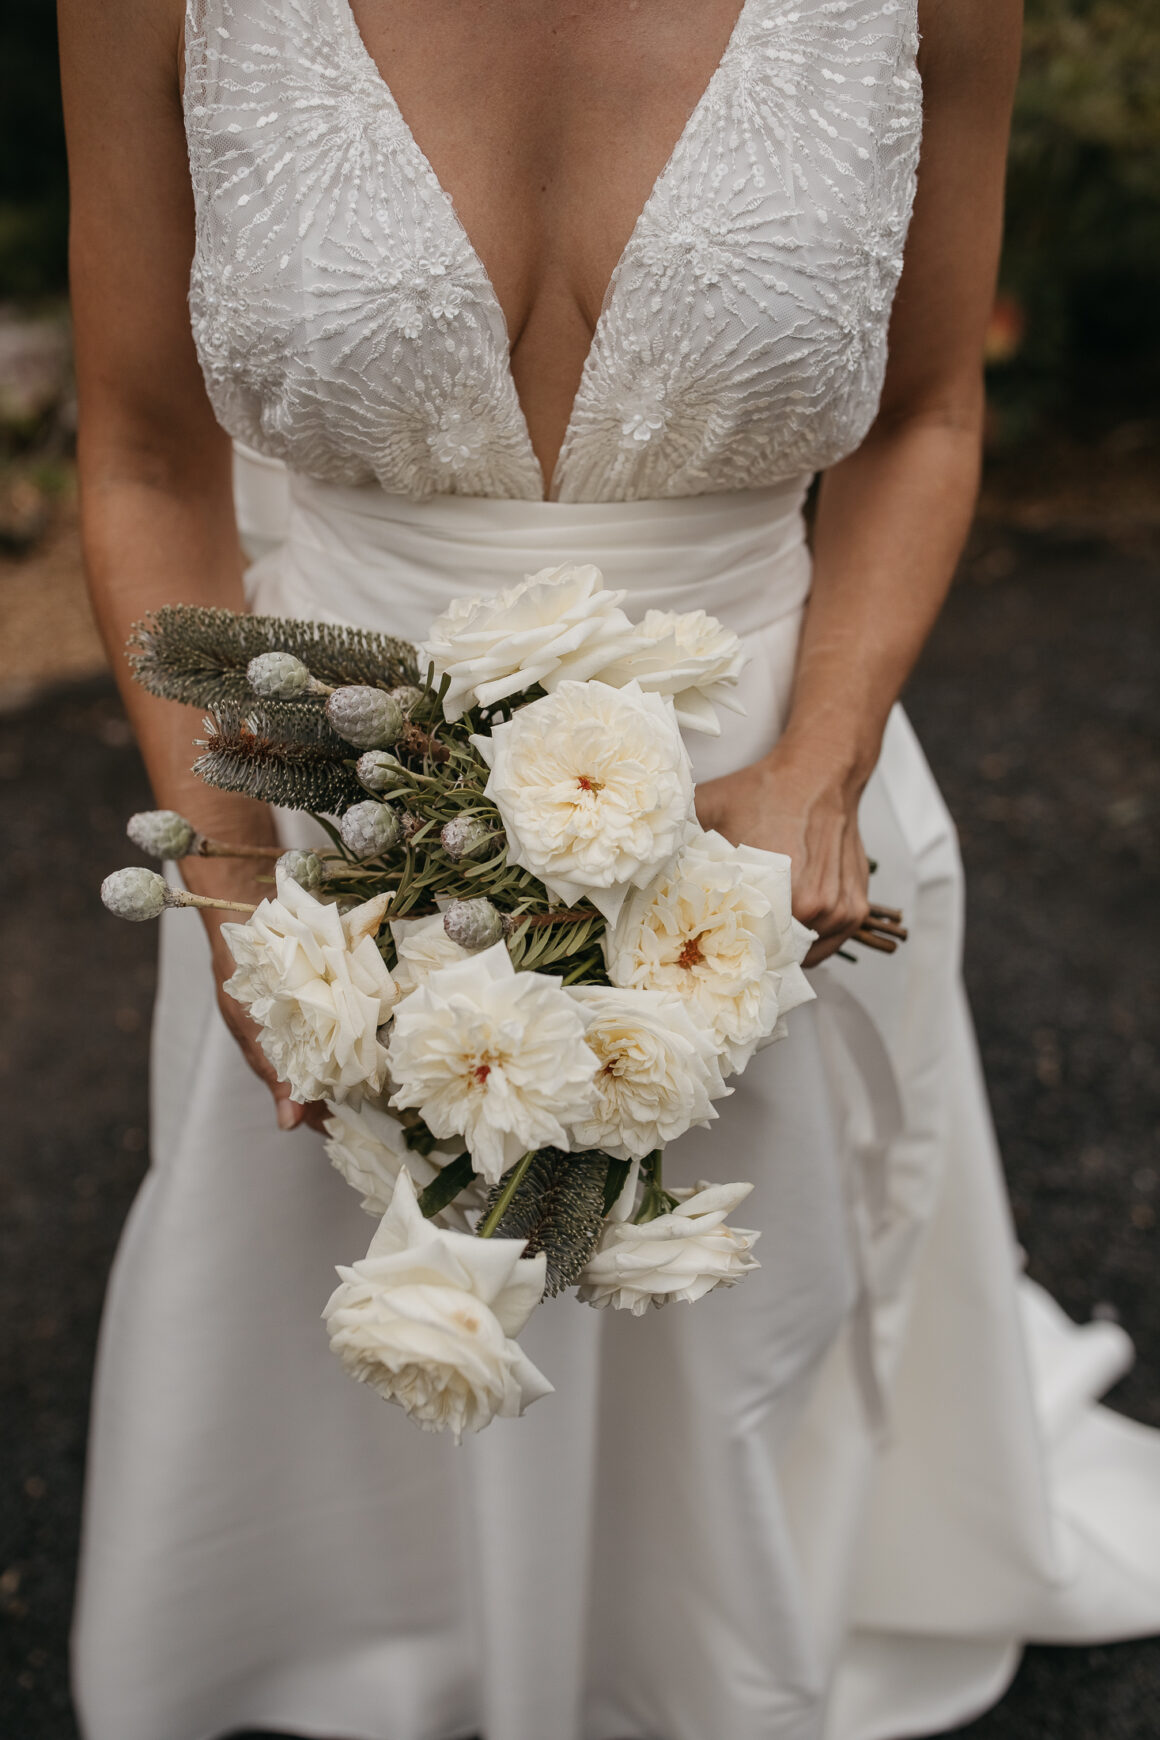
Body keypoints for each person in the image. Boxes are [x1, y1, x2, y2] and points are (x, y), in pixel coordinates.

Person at [59, 3, 1160, 1738]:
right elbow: (139, 451)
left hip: (760, 826)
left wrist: (823, 764)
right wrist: (237, 866)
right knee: (359, 1330)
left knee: (716, 1339)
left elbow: (928, 410)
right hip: (329, 827)